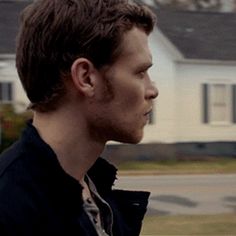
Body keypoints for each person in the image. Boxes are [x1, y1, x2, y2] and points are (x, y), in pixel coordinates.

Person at [0, 0, 158, 235]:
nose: (152, 89)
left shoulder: (94, 195)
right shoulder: (10, 209)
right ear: (86, 78)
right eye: (140, 72)